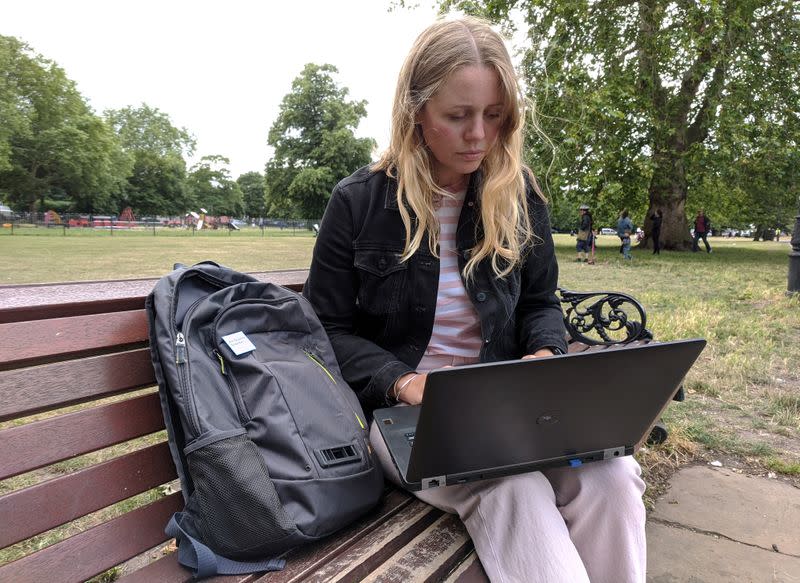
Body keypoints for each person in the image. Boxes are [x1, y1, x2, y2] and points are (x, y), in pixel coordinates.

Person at [303, 16, 646, 583]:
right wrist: (404, 381)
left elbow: (540, 304)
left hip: (509, 412)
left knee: (612, 477)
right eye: (458, 116)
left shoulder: (518, 195)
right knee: (512, 487)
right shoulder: (360, 203)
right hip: (402, 419)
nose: (479, 136)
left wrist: (544, 358)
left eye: (494, 115)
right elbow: (326, 332)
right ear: (416, 112)